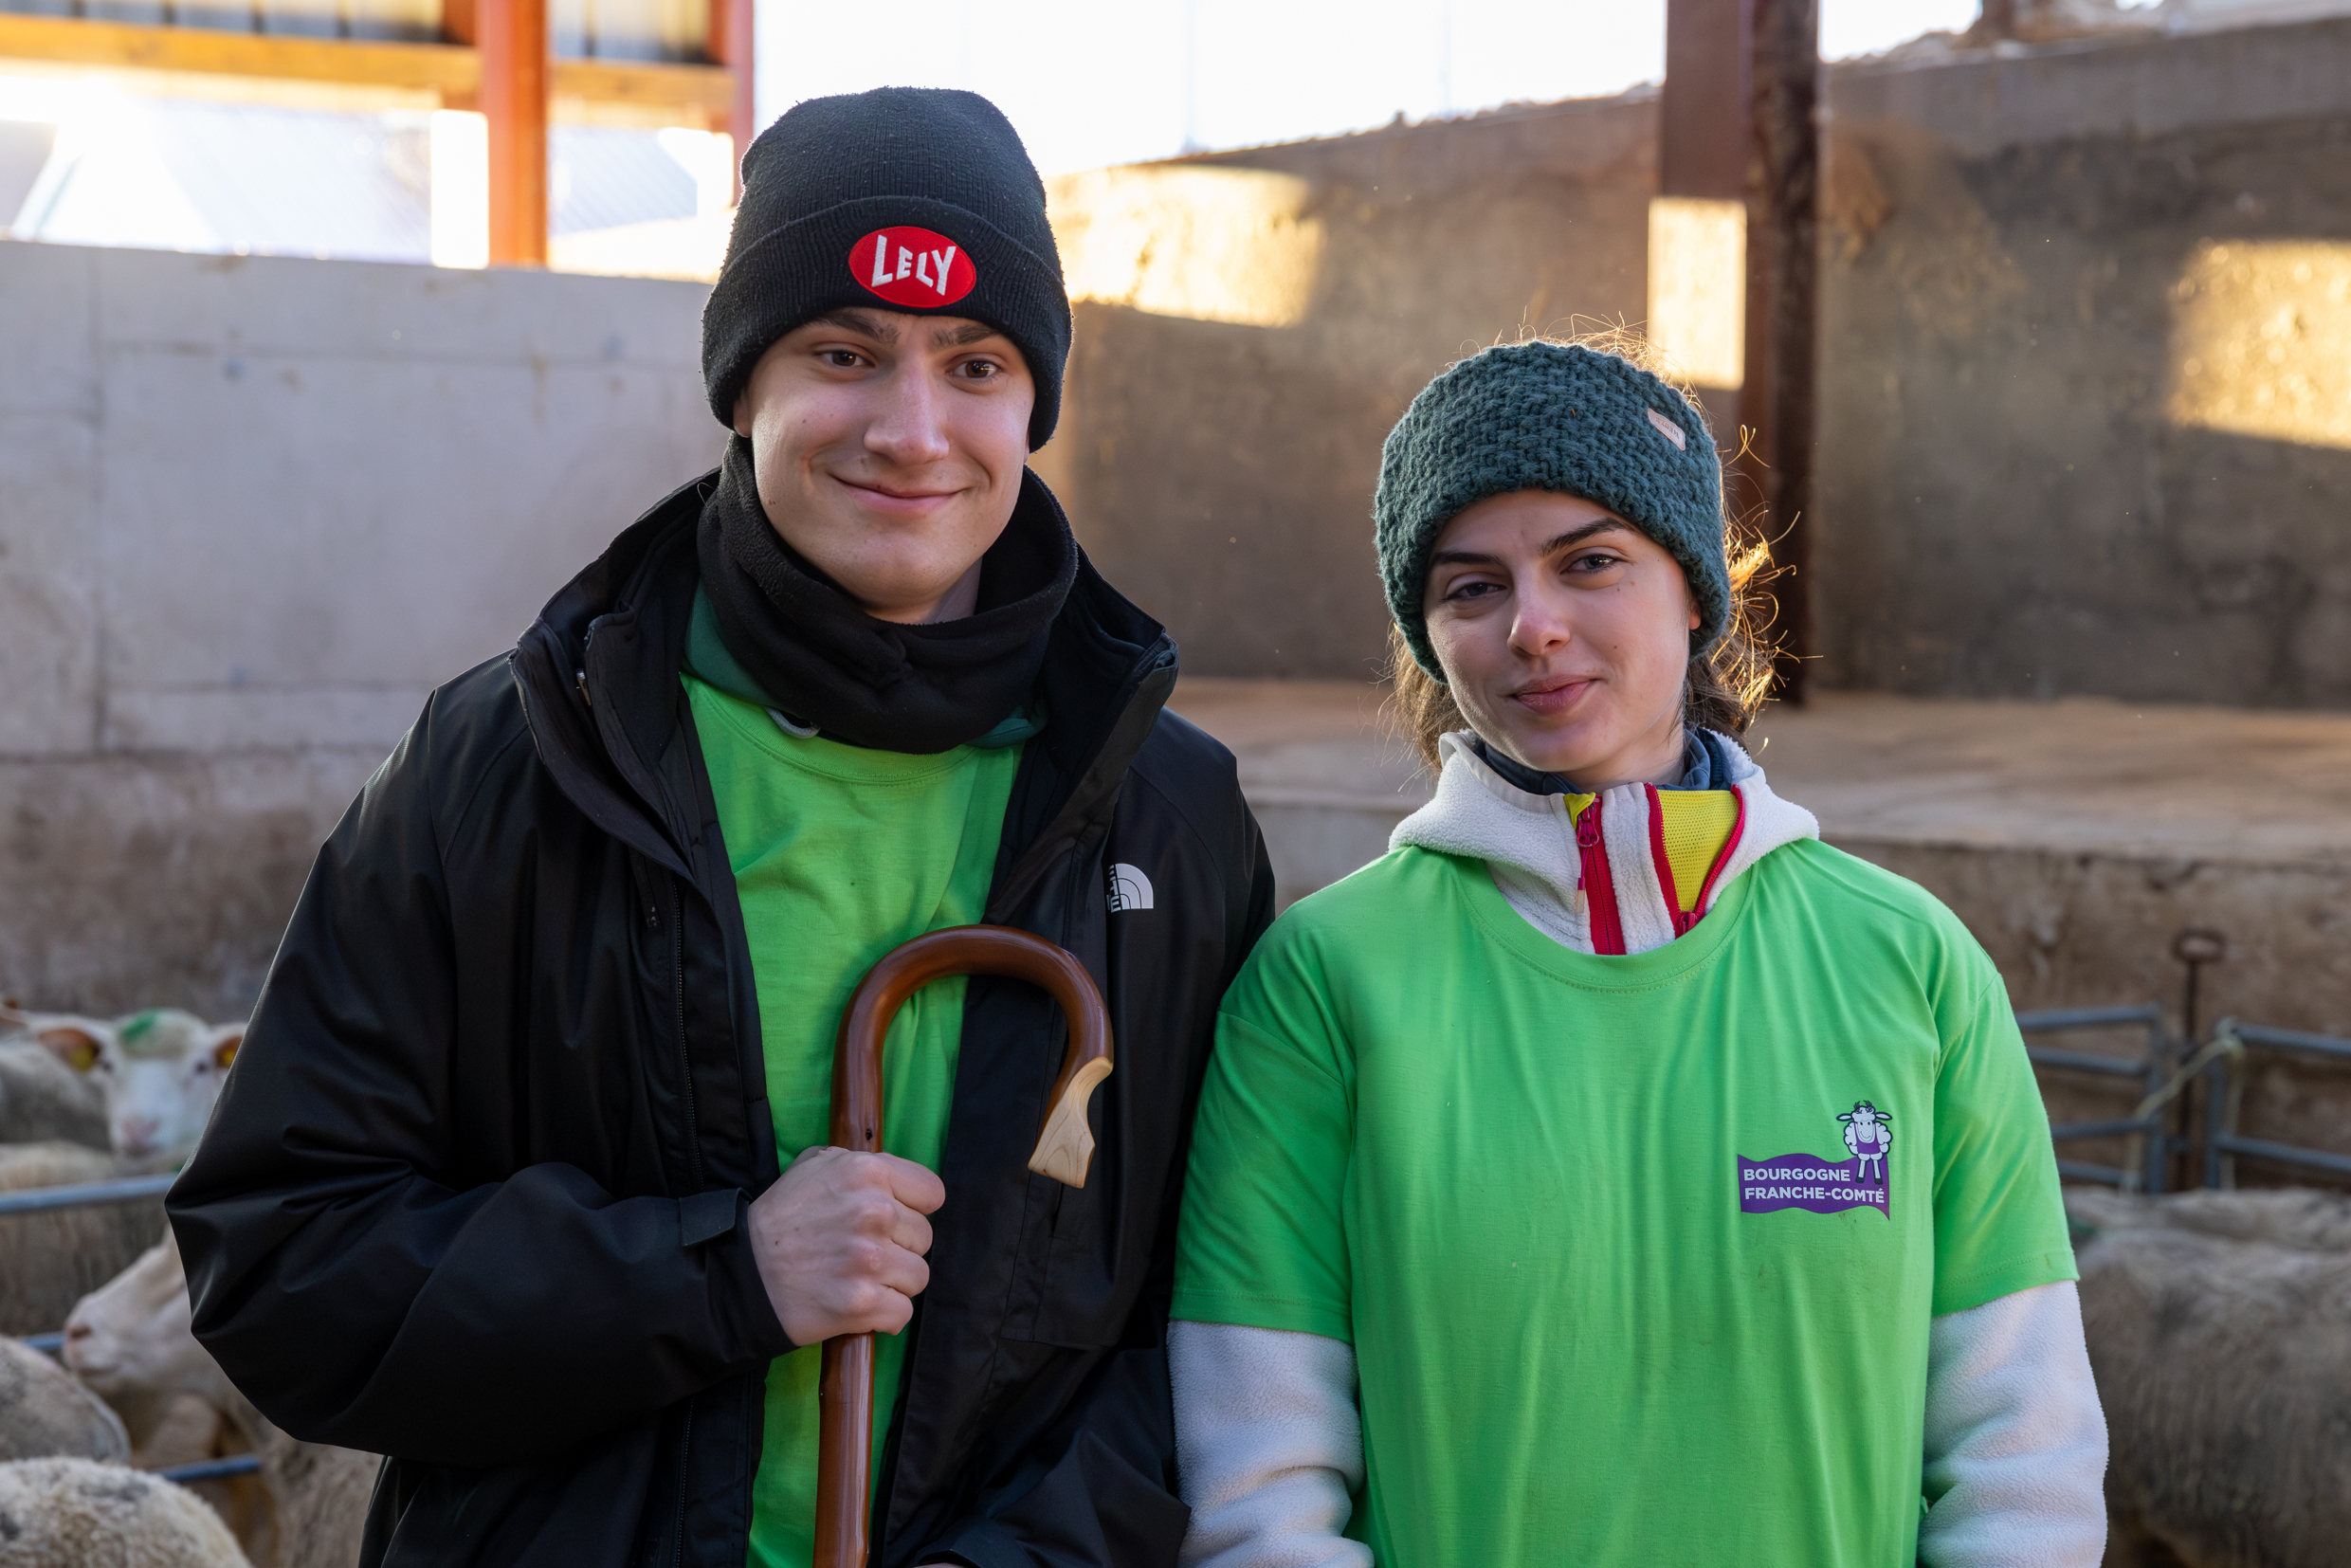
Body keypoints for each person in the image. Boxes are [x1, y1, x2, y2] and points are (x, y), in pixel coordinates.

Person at [168, 87, 1273, 1568]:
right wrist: (718, 1272)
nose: (912, 427)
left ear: (1034, 404)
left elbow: (1215, 1326)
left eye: (977, 363)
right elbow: (283, 1262)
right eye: (844, 352)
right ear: (741, 383)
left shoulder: (1170, 818)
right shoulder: (506, 762)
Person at [1165, 337, 2108, 1568]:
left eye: (1590, 561)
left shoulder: (1908, 964)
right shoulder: (1325, 983)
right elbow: (1260, 1488)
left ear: (1694, 587)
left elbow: (2018, 1463)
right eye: (1471, 587)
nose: (1535, 627)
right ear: (1430, 634)